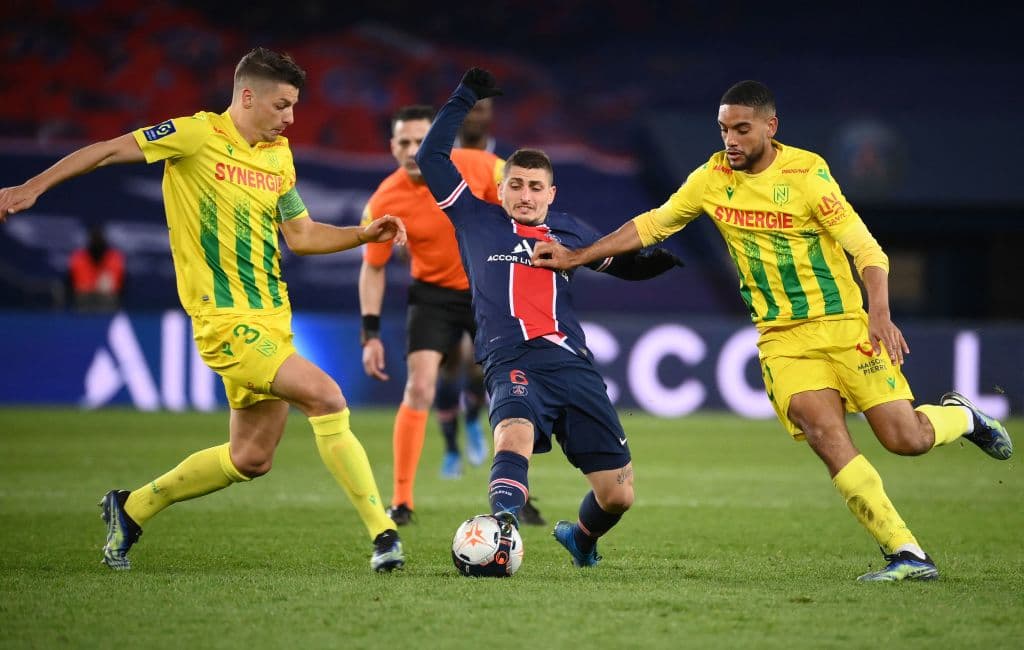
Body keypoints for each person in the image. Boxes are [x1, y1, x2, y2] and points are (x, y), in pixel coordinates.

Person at [532, 79, 1013, 582]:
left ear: (770, 127)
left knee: (905, 438)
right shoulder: (711, 178)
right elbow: (653, 224)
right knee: (824, 433)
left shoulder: (808, 176)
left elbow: (868, 250)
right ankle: (906, 553)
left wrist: (880, 313)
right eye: (723, 130)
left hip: (844, 326)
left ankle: (964, 418)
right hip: (782, 339)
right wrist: (575, 257)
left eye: (741, 129)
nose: (730, 141)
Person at [0, 47, 409, 573]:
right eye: (282, 105)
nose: (290, 119)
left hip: (272, 322)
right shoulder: (193, 136)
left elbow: (301, 236)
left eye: (294, 107)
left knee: (250, 459)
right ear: (246, 96)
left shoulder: (277, 158)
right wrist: (30, 187)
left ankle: (132, 507)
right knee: (327, 396)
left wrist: (360, 233)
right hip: (224, 321)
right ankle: (384, 535)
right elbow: (105, 151)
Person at [416, 68, 684, 567]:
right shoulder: (476, 218)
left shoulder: (570, 232)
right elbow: (429, 157)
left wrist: (646, 266)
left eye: (535, 187)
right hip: (509, 356)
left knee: (618, 495)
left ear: (551, 194)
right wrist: (463, 97)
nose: (525, 194)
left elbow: (614, 262)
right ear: (500, 189)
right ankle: (503, 529)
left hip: (571, 364)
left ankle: (581, 538)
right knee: (513, 429)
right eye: (515, 184)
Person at [359, 105, 544, 526]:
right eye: (403, 142)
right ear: (391, 147)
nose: (411, 150)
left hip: (487, 290)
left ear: (440, 141)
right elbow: (372, 266)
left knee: (511, 391)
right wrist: (369, 332)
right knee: (420, 387)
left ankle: (518, 495)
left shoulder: (479, 166)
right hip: (433, 297)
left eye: (420, 141)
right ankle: (402, 501)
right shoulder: (385, 199)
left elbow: (528, 191)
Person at [68, 223, 125, 312]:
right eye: (94, 239)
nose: (97, 242)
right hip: (83, 296)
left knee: (107, 299)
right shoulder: (79, 257)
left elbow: (122, 284)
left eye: (99, 238)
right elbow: (70, 282)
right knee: (83, 299)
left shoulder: (114, 257)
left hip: (107, 297)